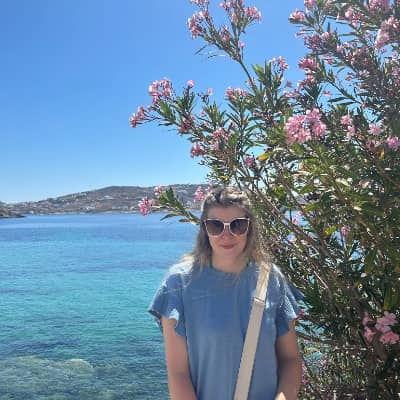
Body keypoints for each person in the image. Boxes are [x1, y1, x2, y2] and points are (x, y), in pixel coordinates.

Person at [148, 186, 303, 400]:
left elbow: (290, 359)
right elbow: (178, 373)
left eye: (237, 225)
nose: (226, 234)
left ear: (249, 227)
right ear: (205, 229)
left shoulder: (271, 279)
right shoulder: (179, 283)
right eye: (216, 225)